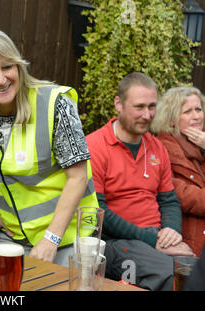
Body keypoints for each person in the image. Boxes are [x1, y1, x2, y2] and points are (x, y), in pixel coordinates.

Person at [0, 28, 99, 267]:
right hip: (13, 236)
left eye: (7, 67)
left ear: (19, 67)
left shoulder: (56, 104)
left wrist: (50, 239)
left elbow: (78, 177)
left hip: (68, 237)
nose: (1, 79)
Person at [85, 72, 195, 291]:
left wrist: (171, 233)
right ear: (119, 103)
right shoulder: (95, 146)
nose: (147, 114)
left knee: (193, 269)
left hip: (156, 240)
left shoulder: (157, 147)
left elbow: (169, 201)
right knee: (169, 274)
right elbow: (97, 212)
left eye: (152, 106)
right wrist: (152, 239)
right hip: (115, 242)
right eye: (139, 107)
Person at [150, 86, 205, 257]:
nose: (196, 116)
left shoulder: (201, 144)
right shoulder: (162, 149)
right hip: (187, 237)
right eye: (187, 111)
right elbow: (185, 197)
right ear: (172, 120)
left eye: (199, 109)